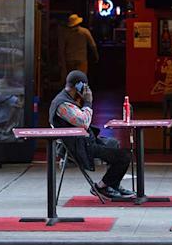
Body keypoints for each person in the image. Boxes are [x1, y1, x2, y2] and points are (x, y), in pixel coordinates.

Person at [50, 70, 137, 201]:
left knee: (113, 143)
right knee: (124, 156)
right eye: (86, 87)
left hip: (85, 141)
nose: (87, 90)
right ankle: (101, 186)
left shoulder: (69, 99)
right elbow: (83, 122)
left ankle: (112, 185)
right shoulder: (63, 104)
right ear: (79, 86)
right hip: (79, 146)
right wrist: (88, 102)